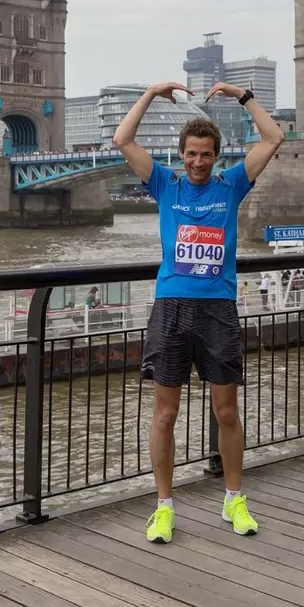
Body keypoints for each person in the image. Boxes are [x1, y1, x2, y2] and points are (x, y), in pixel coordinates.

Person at [113, 80, 284, 543]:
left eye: (206, 154)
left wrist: (242, 97)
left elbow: (273, 138)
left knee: (226, 411)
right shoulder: (165, 183)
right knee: (165, 414)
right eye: (191, 153)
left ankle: (234, 499)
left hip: (218, 310)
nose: (198, 161)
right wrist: (150, 94)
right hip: (171, 307)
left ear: (216, 156)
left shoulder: (231, 185)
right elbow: (122, 140)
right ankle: (164, 507)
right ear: (181, 155)